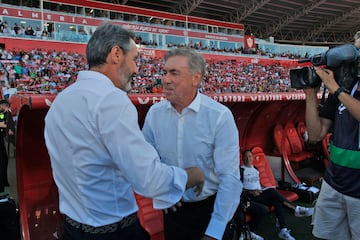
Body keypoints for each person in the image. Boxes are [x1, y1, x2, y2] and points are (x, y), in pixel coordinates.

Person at [44, 22, 205, 240]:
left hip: (73, 229)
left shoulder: (61, 101)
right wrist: (192, 175)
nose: (137, 69)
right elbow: (148, 179)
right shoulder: (111, 100)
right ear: (116, 54)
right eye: (134, 59)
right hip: (114, 231)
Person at [142, 47, 242, 240]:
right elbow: (146, 161)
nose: (166, 79)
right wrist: (162, 192)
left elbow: (229, 178)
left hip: (210, 209)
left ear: (196, 79)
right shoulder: (155, 114)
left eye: (174, 73)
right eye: (164, 72)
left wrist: (215, 230)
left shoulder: (219, 116)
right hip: (173, 210)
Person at [304, 31, 360, 240]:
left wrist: (335, 88)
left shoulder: (340, 90)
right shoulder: (346, 89)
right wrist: (310, 95)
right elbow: (315, 134)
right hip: (334, 183)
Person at [240, 149, 313, 240]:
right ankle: (295, 209)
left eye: (250, 156)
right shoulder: (241, 170)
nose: (248, 158)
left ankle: (283, 229)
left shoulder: (255, 169)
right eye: (246, 157)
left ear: (253, 157)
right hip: (250, 196)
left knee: (276, 201)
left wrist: (263, 188)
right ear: (242, 158)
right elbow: (239, 188)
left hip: (260, 193)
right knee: (272, 192)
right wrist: (251, 191)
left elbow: (257, 183)